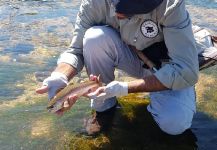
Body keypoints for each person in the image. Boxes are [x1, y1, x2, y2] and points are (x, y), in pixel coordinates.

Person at [36, 0, 199, 136]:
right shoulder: (93, 4)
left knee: (175, 123)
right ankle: (103, 108)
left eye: (131, 7)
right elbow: (76, 51)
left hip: (165, 67)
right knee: (94, 38)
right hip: (132, 58)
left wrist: (124, 88)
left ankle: (174, 93)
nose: (119, 13)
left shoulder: (171, 5)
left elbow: (186, 71)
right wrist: (60, 76)